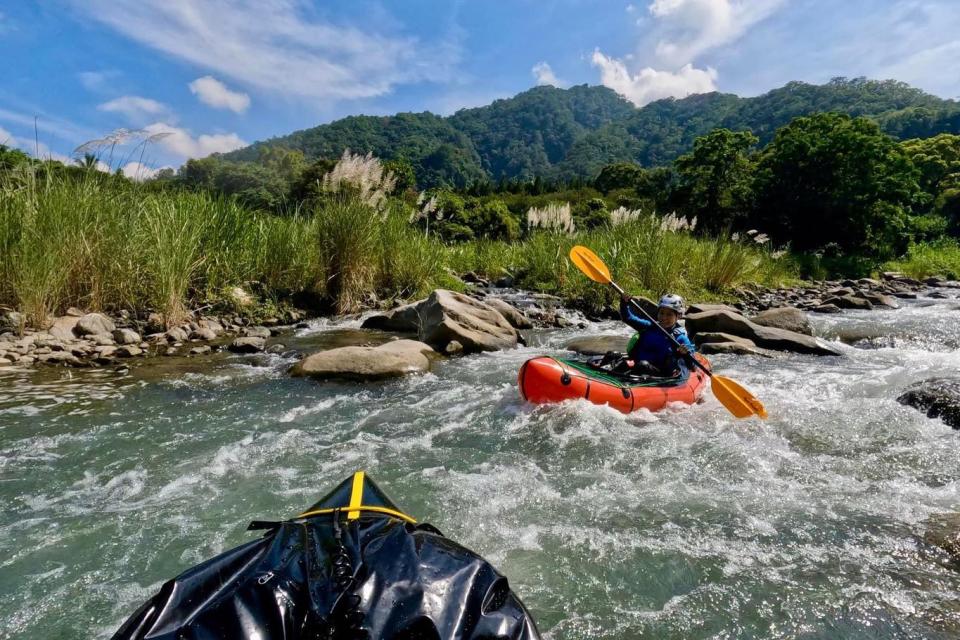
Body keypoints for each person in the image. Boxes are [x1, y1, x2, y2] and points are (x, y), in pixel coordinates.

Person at [602, 293, 696, 378]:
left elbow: (692, 366)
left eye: (669, 314)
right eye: (661, 313)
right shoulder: (650, 326)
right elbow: (628, 318)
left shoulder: (680, 337)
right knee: (612, 355)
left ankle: (616, 383)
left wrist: (685, 354)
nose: (664, 317)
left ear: (678, 316)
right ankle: (603, 378)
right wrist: (624, 303)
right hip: (637, 365)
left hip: (660, 374)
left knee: (643, 365)